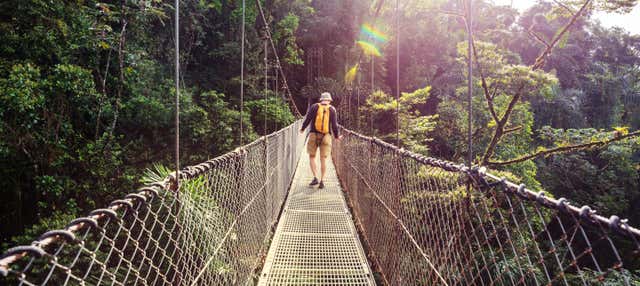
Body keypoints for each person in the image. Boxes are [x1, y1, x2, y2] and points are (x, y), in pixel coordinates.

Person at [299, 92, 342, 189]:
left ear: (321, 99)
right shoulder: (332, 109)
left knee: (312, 156)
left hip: (313, 134)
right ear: (329, 100)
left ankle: (315, 178)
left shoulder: (314, 107)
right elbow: (334, 125)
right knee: (323, 159)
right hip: (326, 136)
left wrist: (302, 129)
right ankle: (322, 181)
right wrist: (336, 136)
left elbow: (308, 119)